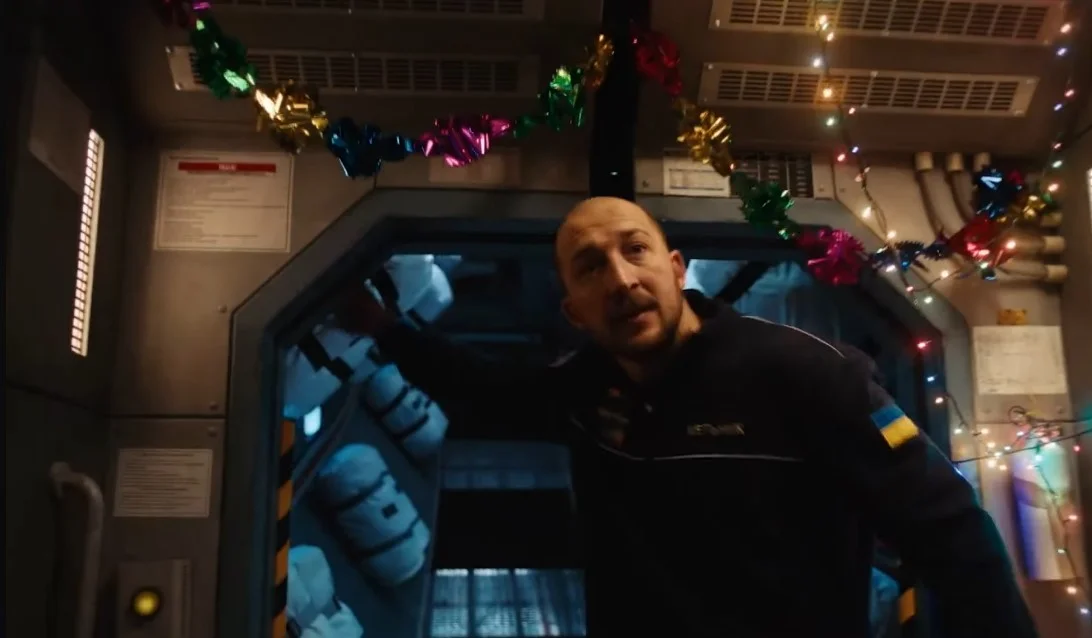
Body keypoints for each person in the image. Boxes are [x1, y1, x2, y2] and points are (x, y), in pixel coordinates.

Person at [336, 197, 1037, 638]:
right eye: (591, 267)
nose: (621, 279)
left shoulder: (805, 374)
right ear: (574, 310)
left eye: (635, 250)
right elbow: (485, 390)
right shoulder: (585, 390)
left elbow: (950, 531)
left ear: (675, 267)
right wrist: (384, 328)